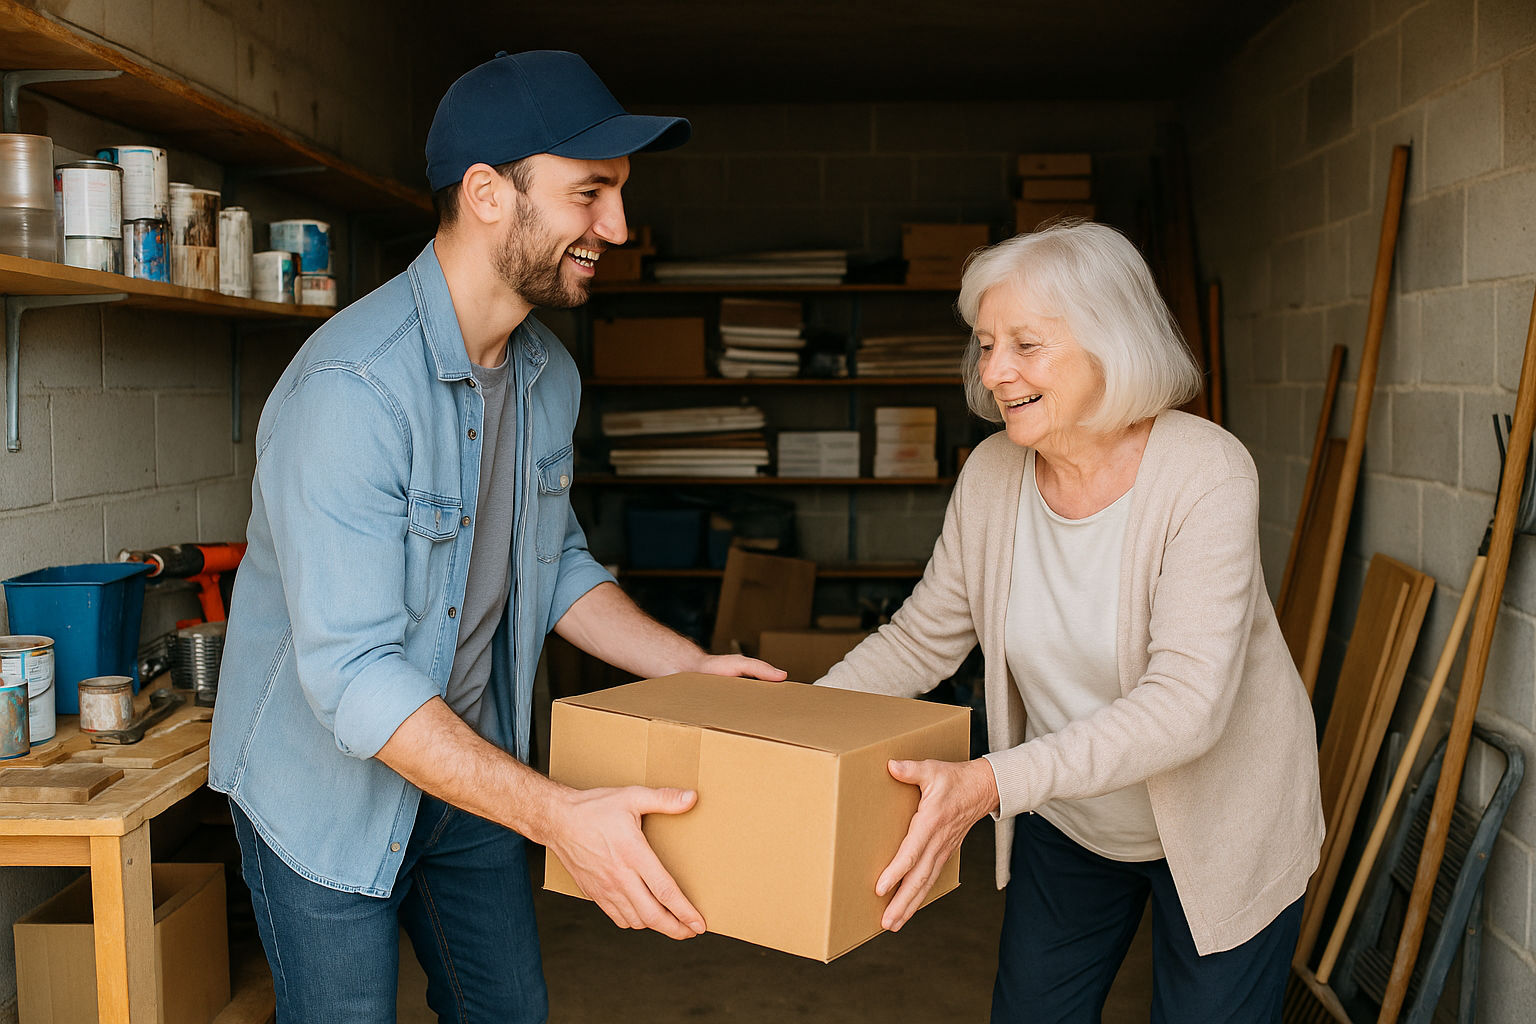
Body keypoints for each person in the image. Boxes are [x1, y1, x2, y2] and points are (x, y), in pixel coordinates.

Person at [208, 50, 783, 1023]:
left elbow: (551, 562)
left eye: (619, 197)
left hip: (469, 765)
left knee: (508, 1009)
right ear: (486, 194)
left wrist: (687, 668)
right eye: (590, 195)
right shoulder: (349, 393)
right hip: (326, 793)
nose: (618, 229)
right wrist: (559, 813)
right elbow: (355, 676)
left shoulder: (548, 375)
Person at [819, 220, 1324, 1023]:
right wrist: (800, 726)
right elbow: (923, 640)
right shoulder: (993, 474)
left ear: (1109, 345)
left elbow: (1186, 705)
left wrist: (989, 782)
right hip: (1073, 815)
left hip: (1222, 821)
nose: (994, 374)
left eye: (1026, 344)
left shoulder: (1206, 471)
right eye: (986, 345)